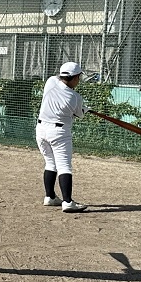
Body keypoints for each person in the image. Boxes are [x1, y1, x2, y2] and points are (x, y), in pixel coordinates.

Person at [36, 61, 90, 213]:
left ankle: (50, 197)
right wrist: (85, 110)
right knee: (64, 166)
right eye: (78, 77)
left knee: (50, 163)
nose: (79, 80)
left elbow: (58, 82)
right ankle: (67, 202)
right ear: (74, 77)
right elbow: (79, 114)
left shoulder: (50, 82)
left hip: (41, 129)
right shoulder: (75, 97)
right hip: (59, 133)